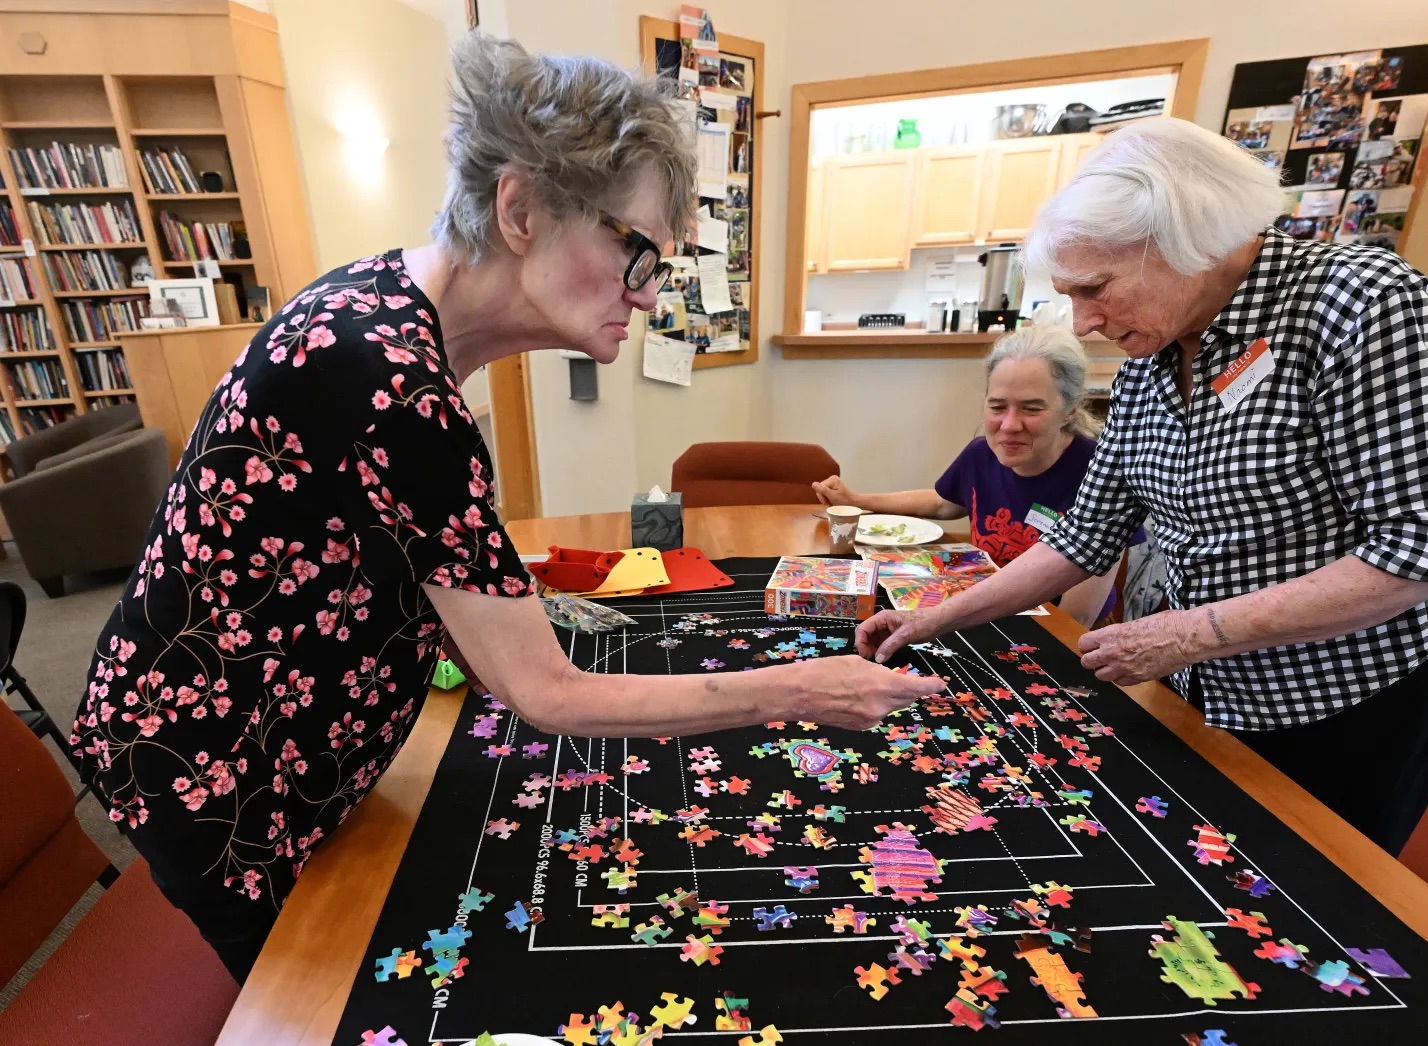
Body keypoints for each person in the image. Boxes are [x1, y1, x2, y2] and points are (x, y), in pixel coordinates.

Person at [69, 34, 931, 983]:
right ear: (519, 207)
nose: (646, 297)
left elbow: (396, 547)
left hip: (275, 732)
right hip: (214, 765)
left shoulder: (393, 307)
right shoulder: (386, 375)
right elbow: (547, 694)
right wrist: (800, 691)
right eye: (636, 252)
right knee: (311, 993)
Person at [856, 117, 1428, 857]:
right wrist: (932, 618)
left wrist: (1189, 632)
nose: (1084, 322)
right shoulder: (1150, 358)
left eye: (1094, 289)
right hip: (1215, 677)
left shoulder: (1359, 303)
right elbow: (1083, 533)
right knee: (1221, 861)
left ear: (1183, 242)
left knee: (1317, 888)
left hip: (1360, 687)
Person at [812, 325, 1130, 626]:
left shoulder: (1102, 472)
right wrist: (856, 500)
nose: (1009, 425)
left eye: (1032, 409)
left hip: (1062, 632)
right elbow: (942, 503)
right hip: (986, 609)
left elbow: (1077, 619)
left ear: (1070, 410)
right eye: (997, 407)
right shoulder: (981, 454)